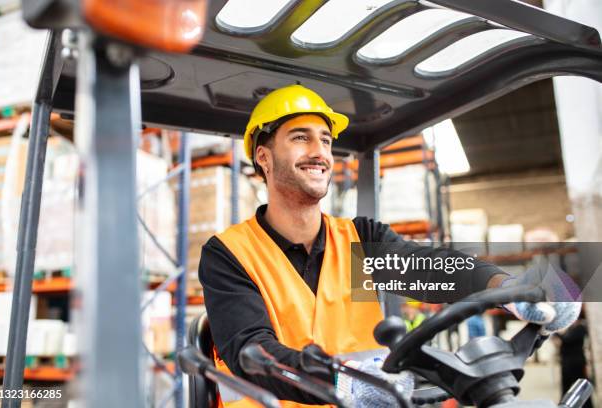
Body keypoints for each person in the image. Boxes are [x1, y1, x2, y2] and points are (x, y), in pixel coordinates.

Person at [198, 84, 581, 407]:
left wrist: (511, 289)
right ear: (263, 157)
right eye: (301, 138)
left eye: (326, 140)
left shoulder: (358, 239)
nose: (320, 152)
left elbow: (433, 270)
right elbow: (251, 351)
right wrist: (342, 384)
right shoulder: (230, 253)